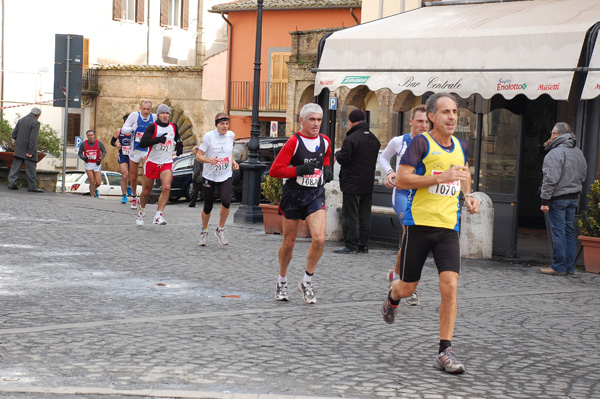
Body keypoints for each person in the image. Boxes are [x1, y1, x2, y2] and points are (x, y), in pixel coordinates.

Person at [381, 93, 480, 374]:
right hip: (419, 225)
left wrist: (468, 196)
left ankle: (445, 350)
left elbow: (463, 174)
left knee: (450, 286)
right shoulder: (420, 143)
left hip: (449, 227)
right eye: (446, 112)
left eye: (455, 112)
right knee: (408, 286)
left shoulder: (461, 146)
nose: (452, 117)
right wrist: (438, 177)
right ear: (433, 117)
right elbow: (401, 179)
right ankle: (393, 295)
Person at [269, 103, 333, 304]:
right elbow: (275, 170)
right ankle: (282, 279)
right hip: (294, 194)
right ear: (302, 121)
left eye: (319, 120)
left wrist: (327, 168)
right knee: (289, 243)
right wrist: (298, 170)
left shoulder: (325, 141)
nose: (316, 124)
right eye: (312, 119)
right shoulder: (294, 143)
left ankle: (306, 281)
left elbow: (327, 154)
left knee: (320, 238)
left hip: (314, 193)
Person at [378, 105, 428, 306]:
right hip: (402, 194)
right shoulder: (399, 141)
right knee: (410, 233)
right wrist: (390, 172)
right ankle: (406, 283)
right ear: (411, 122)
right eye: (419, 121)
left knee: (412, 238)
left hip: (421, 196)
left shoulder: (432, 143)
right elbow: (383, 157)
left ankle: (396, 275)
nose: (423, 125)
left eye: (426, 122)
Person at [539, 122, 587, 276]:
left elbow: (550, 179)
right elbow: (584, 174)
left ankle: (558, 266)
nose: (551, 136)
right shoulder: (578, 152)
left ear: (557, 135)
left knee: (558, 232)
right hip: (573, 197)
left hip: (558, 198)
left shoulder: (555, 153)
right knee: (568, 231)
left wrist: (545, 201)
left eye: (552, 133)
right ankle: (569, 267)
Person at [333, 109, 380, 254]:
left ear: (351, 121)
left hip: (351, 182)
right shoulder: (373, 138)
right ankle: (363, 245)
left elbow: (344, 159)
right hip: (367, 183)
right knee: (364, 215)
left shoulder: (351, 138)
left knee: (351, 214)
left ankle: (351, 245)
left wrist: (337, 154)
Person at [195, 113, 239, 245]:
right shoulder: (209, 137)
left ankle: (221, 229)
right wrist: (209, 160)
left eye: (227, 124)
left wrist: (233, 161)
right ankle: (204, 231)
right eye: (222, 124)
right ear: (217, 125)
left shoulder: (231, 135)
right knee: (208, 206)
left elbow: (229, 151)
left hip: (225, 175)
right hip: (210, 176)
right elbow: (198, 155)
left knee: (226, 201)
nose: (225, 126)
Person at [135, 104, 183, 225]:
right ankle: (141, 212)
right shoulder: (152, 127)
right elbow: (143, 143)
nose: (165, 116)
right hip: (152, 162)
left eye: (167, 114)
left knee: (166, 187)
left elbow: (177, 137)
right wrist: (157, 140)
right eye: (162, 113)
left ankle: (158, 215)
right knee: (146, 191)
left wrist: (179, 144)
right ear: (158, 115)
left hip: (166, 162)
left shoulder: (173, 126)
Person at [121, 100, 157, 209]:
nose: (146, 111)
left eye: (148, 109)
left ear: (151, 109)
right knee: (133, 176)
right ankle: (134, 196)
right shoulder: (134, 116)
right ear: (140, 108)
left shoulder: (154, 117)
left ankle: (143, 196)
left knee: (146, 172)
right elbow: (123, 129)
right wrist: (132, 128)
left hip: (146, 149)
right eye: (144, 109)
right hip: (134, 149)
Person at [7, 108, 43, 192]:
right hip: (29, 150)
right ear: (38, 116)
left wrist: (20, 142)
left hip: (19, 148)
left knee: (15, 168)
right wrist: (30, 151)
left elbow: (14, 134)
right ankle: (32, 187)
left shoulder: (21, 120)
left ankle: (11, 184)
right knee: (31, 170)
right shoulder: (35, 123)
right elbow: (33, 139)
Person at [78, 129, 106, 198]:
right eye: (89, 135)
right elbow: (80, 153)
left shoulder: (99, 143)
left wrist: (100, 158)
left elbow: (104, 151)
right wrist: (84, 158)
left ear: (94, 135)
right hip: (88, 163)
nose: (90, 136)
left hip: (97, 164)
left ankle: (95, 189)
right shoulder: (83, 144)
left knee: (98, 182)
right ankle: (92, 197)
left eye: (92, 135)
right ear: (87, 136)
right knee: (92, 180)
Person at [111, 113, 132, 204]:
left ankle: (129, 186)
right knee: (124, 175)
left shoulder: (135, 131)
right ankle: (124, 195)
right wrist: (116, 144)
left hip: (132, 156)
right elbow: (112, 142)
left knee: (131, 178)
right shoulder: (119, 131)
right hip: (123, 155)